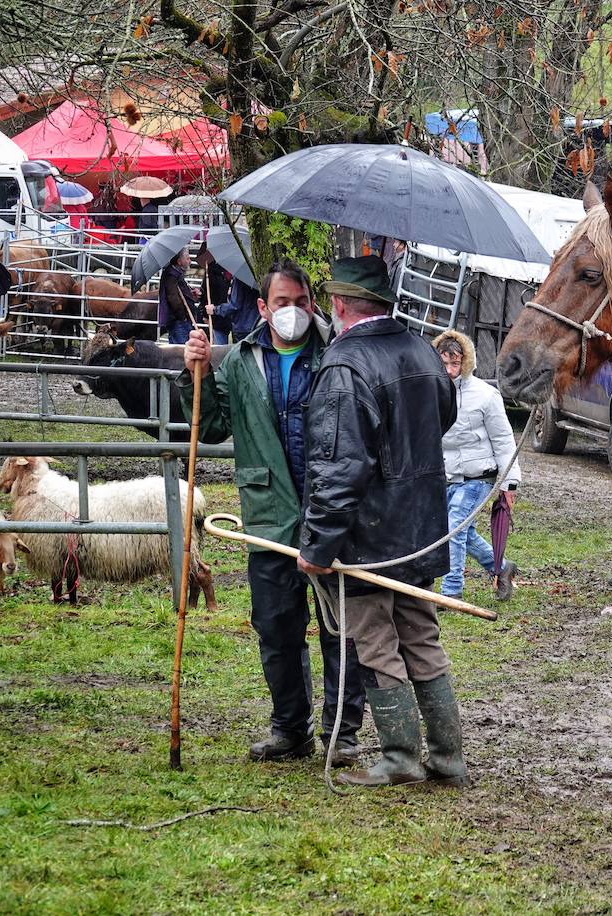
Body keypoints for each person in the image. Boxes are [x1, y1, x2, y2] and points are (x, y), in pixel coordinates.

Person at [180, 258, 367, 765]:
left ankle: (341, 733)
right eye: (282, 303)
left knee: (340, 626)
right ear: (263, 307)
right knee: (276, 627)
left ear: (315, 303)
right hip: (267, 516)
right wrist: (191, 372)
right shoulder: (240, 362)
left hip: (329, 516)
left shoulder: (337, 355)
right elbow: (211, 424)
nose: (293, 312)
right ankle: (290, 728)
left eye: (302, 302)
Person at [297, 256, 467, 789]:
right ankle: (448, 758)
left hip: (368, 539)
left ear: (340, 304)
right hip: (419, 529)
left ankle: (399, 757)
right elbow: (446, 416)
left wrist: (318, 546)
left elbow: (338, 464)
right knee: (421, 636)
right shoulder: (421, 348)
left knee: (375, 642)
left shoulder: (345, 365)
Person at [432, 329, 520, 601]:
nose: (449, 369)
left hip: (478, 477)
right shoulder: (430, 391)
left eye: (455, 363)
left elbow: (504, 440)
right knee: (463, 533)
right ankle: (503, 568)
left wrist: (509, 483)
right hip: (447, 476)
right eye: (443, 363)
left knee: (454, 528)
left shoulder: (486, 395)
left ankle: (451, 592)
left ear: (466, 361)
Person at [158, 248, 199, 344]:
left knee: (177, 350)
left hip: (179, 321)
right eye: (188, 258)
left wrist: (190, 294)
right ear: (179, 261)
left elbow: (178, 294)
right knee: (180, 352)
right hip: (178, 322)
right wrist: (183, 317)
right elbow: (173, 299)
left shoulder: (175, 274)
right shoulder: (172, 276)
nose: (190, 261)